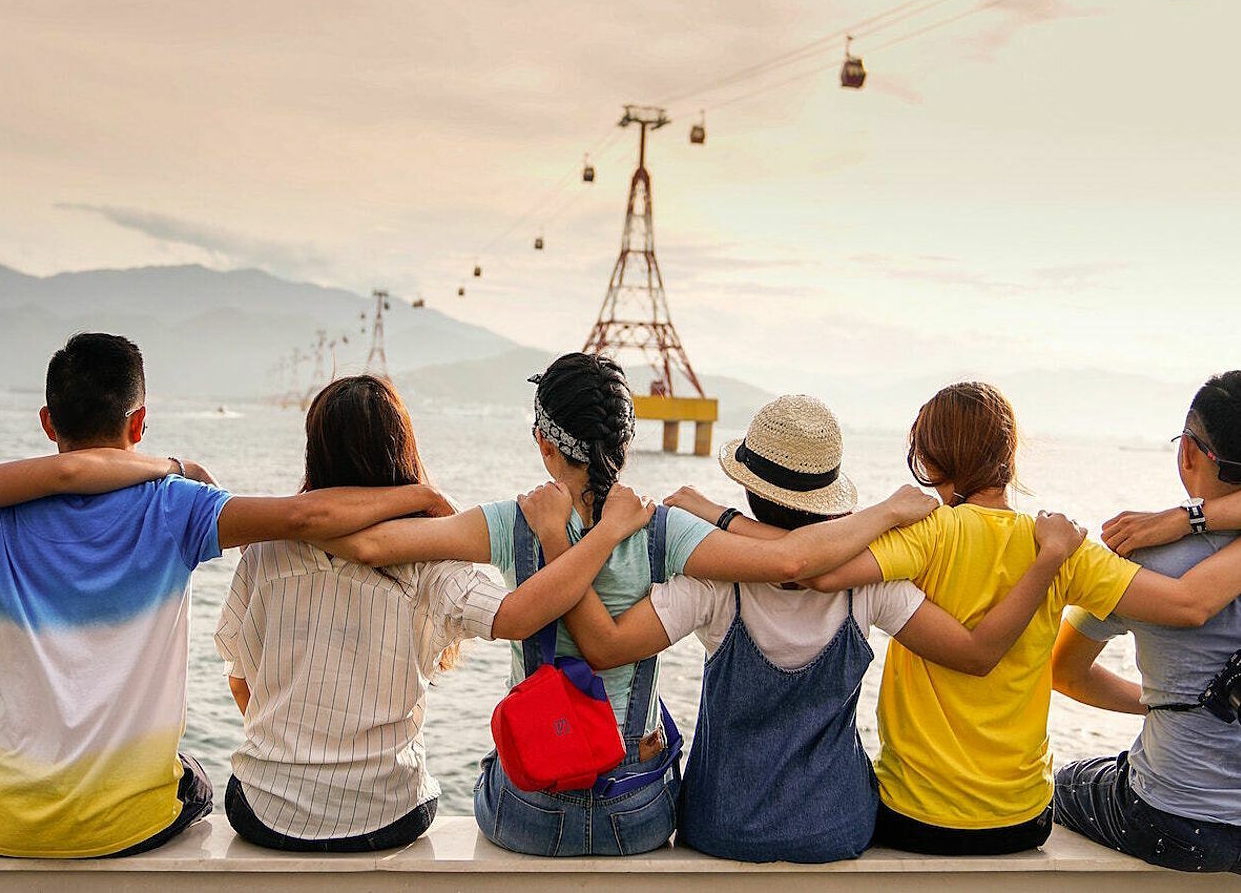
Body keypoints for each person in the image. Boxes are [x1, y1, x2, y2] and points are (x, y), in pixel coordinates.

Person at [317, 354, 945, 857]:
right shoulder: (665, 530)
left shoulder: (514, 521)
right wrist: (886, 512)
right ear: (625, 441)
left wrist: (417, 495)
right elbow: (791, 561)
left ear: (544, 442)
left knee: (493, 764)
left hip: (531, 811)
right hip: (636, 812)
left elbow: (369, 544)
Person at [672, 381, 1241, 855]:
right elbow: (1184, 605)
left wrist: (714, 516)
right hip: (1022, 821)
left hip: (914, 817)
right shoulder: (1064, 547)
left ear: (927, 462)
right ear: (1010, 456)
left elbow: (806, 567)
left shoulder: (926, 534)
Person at [519, 394, 1088, 864]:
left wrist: (561, 544)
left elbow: (604, 646)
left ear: (747, 489)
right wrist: (1044, 561)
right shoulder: (869, 583)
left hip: (723, 827)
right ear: (828, 498)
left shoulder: (715, 584)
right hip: (837, 829)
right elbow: (972, 652)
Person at [0, 333, 453, 859]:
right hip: (128, 822)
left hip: (1, 818)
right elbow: (307, 516)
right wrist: (423, 496)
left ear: (48, 422)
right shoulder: (176, 506)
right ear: (139, 423)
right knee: (195, 780)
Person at [213, 375, 654, 853]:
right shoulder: (430, 561)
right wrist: (604, 534)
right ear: (401, 450)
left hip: (265, 810)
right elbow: (515, 616)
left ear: (314, 453)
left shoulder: (265, 552)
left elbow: (242, 681)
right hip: (386, 814)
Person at [1052, 372, 1241, 874]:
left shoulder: (1141, 561)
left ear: (1189, 454)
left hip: (1174, 820)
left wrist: (1167, 707)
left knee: (1063, 784)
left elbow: (1065, 671)